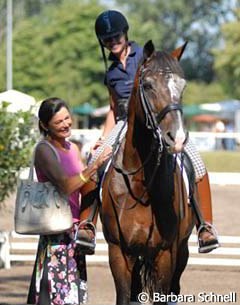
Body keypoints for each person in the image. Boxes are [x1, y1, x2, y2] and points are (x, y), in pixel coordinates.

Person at [79, 10, 219, 255]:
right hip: (125, 123)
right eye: (107, 40)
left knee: (196, 163)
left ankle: (204, 226)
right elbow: (114, 108)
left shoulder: (145, 57)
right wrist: (103, 137)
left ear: (126, 34)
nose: (113, 43)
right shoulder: (111, 72)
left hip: (155, 121)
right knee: (95, 160)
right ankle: (87, 224)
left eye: (116, 37)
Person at [27, 97, 112, 305]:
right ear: (45, 125)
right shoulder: (44, 150)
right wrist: (93, 166)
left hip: (74, 230)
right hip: (55, 231)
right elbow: (65, 186)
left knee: (73, 295)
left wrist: (93, 159)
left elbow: (82, 183)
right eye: (58, 122)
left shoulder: (73, 148)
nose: (65, 124)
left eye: (67, 118)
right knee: (54, 296)